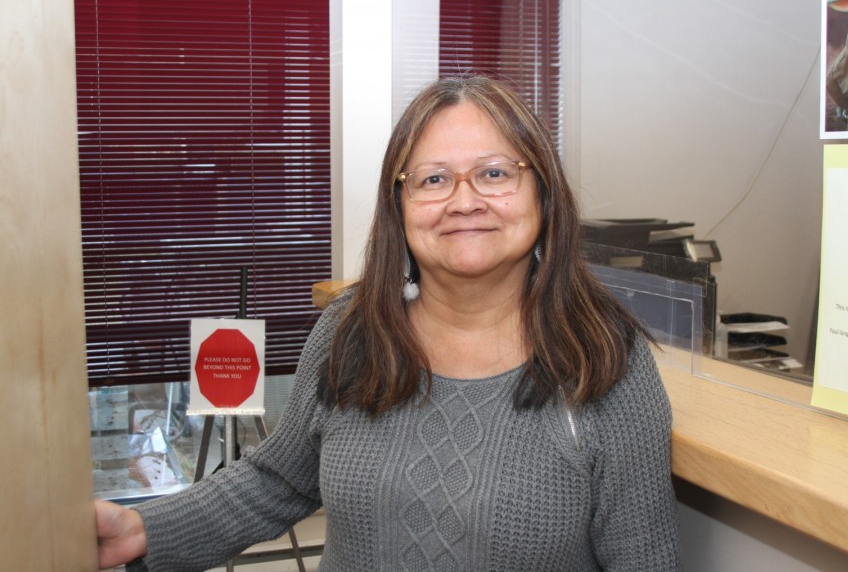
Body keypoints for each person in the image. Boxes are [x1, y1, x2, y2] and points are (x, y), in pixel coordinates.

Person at [95, 74, 681, 571]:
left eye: (496, 173)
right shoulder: (352, 332)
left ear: (543, 194)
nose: (464, 200)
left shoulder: (604, 359)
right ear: (399, 207)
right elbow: (278, 482)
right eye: (432, 179)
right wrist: (141, 529)